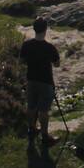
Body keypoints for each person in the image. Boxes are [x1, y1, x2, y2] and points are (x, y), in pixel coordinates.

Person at [19, 17, 60, 146]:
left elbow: (21, 61)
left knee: (30, 106)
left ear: (34, 28)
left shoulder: (26, 45)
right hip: (46, 81)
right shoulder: (50, 48)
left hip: (31, 80)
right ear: (45, 29)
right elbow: (57, 64)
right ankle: (45, 136)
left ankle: (31, 129)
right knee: (43, 110)